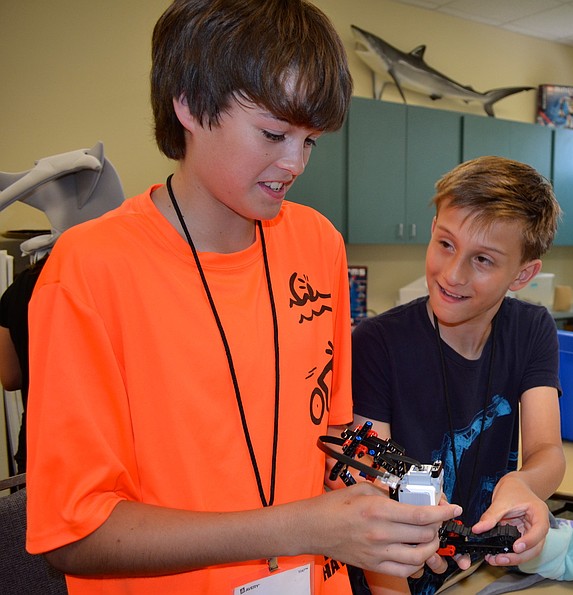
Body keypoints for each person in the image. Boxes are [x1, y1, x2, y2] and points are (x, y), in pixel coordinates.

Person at [24, 1, 461, 594]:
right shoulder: (90, 269)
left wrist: (407, 501)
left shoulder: (316, 243)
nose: (294, 163)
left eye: (311, 141)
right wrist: (298, 527)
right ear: (188, 104)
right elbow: (74, 535)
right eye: (274, 134)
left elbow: (338, 441)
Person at [350, 156, 567, 594]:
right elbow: (366, 483)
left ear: (522, 274)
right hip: (389, 576)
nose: (452, 274)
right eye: (446, 244)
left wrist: (523, 483)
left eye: (483, 260)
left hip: (470, 573)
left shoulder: (531, 329)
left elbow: (547, 450)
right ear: (432, 230)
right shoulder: (376, 343)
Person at [0, 256, 47, 473]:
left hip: (36, 441)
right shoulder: (109, 277)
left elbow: (10, 377)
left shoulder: (20, 286)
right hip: (96, 447)